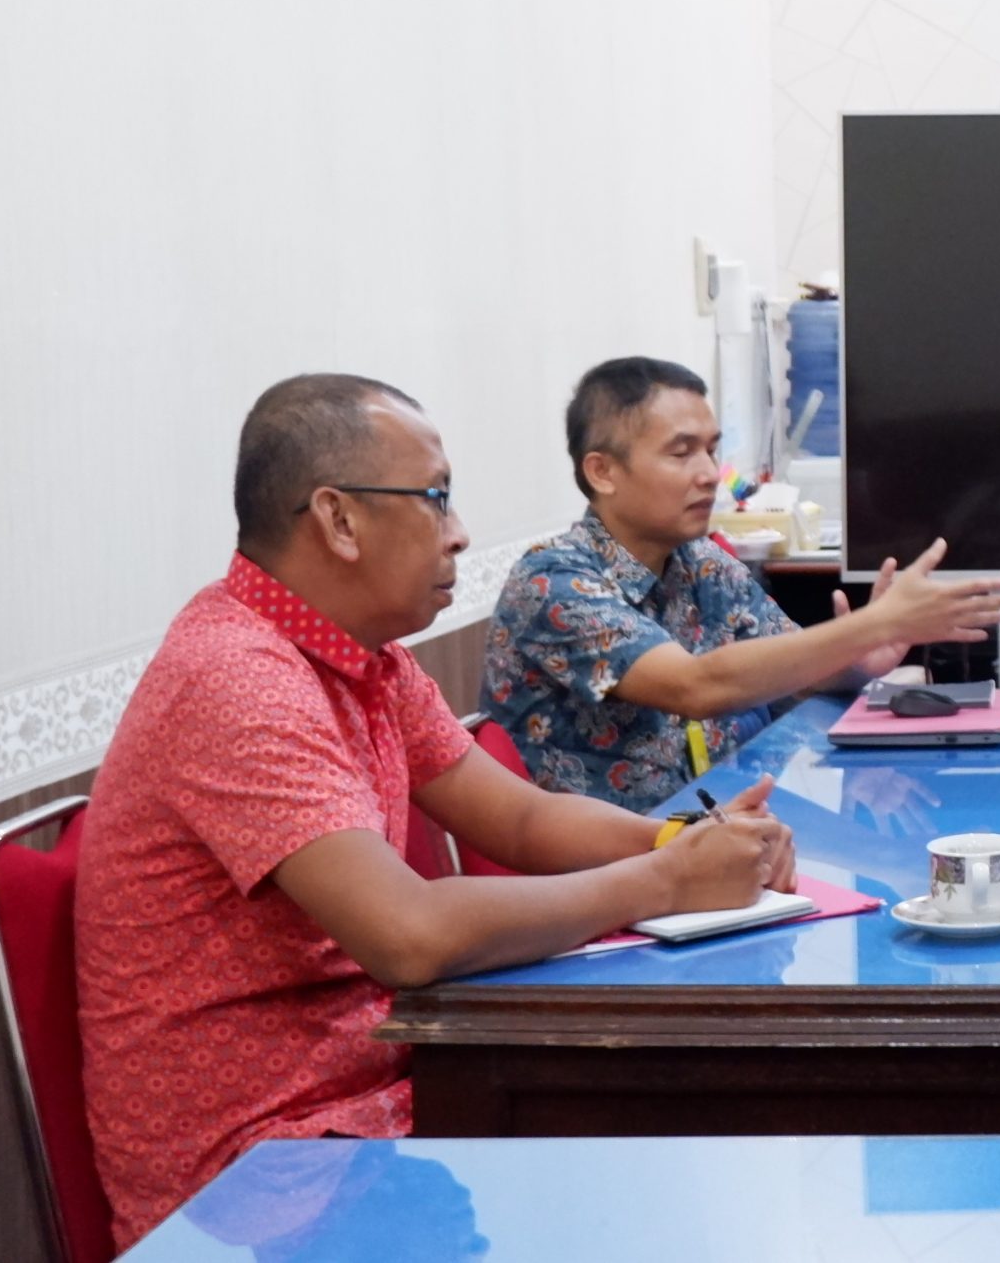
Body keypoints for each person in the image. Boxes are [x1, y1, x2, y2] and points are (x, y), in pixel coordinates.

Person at [76, 375, 793, 1249]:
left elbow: (521, 821)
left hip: (388, 1089)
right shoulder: (240, 679)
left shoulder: (363, 658)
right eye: (435, 499)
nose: (458, 533)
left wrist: (690, 841)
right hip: (263, 1176)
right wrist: (665, 881)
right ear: (339, 520)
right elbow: (407, 934)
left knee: (680, 1168)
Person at [482, 357, 1000, 811]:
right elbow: (697, 687)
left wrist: (860, 660)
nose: (710, 473)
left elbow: (790, 671)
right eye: (681, 451)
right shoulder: (553, 583)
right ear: (602, 472)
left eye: (712, 449)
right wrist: (875, 622)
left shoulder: (702, 563)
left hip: (721, 844)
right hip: (601, 884)